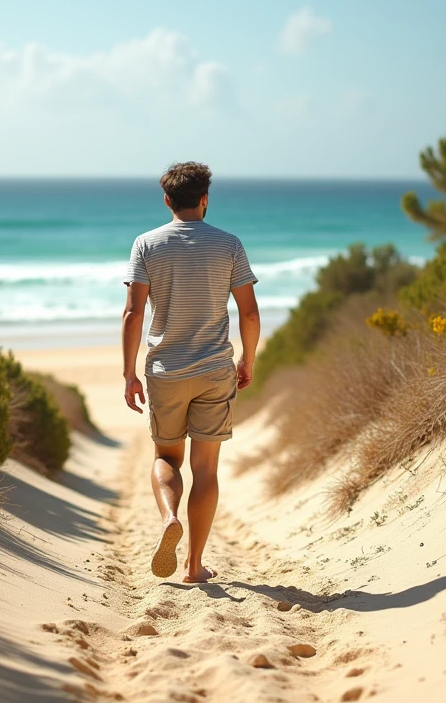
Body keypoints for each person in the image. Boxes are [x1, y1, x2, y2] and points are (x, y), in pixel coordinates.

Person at [121, 162, 260, 583]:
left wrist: (129, 373)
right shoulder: (229, 245)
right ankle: (194, 565)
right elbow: (249, 312)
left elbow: (133, 312)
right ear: (204, 199)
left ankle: (168, 518)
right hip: (215, 369)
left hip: (165, 370)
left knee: (167, 457)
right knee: (206, 469)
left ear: (167, 200)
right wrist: (247, 361)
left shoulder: (146, 244)